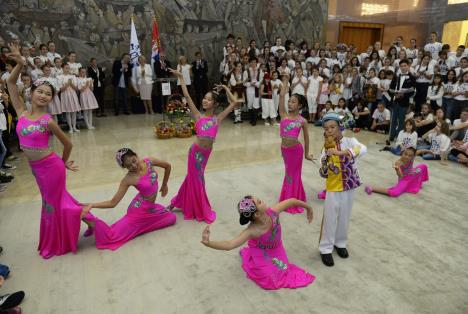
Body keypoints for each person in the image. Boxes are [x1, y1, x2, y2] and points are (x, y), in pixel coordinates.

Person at [6, 43, 93, 259]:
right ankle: (90, 221)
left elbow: (68, 144)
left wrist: (63, 162)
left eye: (48, 94)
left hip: (52, 167)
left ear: (51, 99)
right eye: (40, 92)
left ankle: (60, 239)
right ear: (32, 92)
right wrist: (20, 64)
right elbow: (9, 82)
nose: (44, 96)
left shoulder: (48, 121)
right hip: (36, 169)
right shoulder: (21, 112)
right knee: (56, 202)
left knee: (54, 204)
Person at [168, 69, 240, 223]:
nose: (204, 101)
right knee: (197, 179)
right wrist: (181, 77)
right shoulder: (198, 116)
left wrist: (226, 88)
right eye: (204, 98)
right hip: (194, 153)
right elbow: (186, 95)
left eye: (208, 99)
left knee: (193, 178)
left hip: (206, 155)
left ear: (215, 103)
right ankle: (197, 207)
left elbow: (234, 102)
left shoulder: (218, 118)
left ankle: (177, 201)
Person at [201, 196, 315, 290]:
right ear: (256, 215)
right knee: (270, 279)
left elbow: (292, 201)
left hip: (277, 249)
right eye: (259, 202)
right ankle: (252, 257)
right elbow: (230, 244)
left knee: (284, 269)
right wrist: (209, 243)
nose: (262, 200)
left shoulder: (273, 212)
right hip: (263, 252)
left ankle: (260, 258)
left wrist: (308, 207)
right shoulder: (252, 231)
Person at [82, 148, 176, 250]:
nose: (134, 166)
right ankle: (88, 220)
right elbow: (112, 203)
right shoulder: (128, 179)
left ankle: (143, 226)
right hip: (138, 212)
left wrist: (164, 185)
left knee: (171, 218)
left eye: (133, 161)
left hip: (150, 207)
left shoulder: (149, 161)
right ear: (124, 167)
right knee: (111, 236)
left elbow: (167, 166)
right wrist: (92, 205)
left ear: (136, 155)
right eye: (128, 166)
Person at [318, 112, 366, 267]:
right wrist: (326, 164)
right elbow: (322, 172)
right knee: (330, 217)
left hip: (350, 185)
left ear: (340, 127)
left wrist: (342, 152)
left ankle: (340, 243)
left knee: (345, 215)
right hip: (333, 187)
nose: (329, 130)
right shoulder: (325, 148)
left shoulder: (350, 141)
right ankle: (325, 248)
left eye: (332, 127)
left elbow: (362, 148)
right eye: (326, 128)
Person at [277, 75, 313, 213]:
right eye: (289, 101)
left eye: (293, 102)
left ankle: (293, 200)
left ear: (300, 106)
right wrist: (285, 80)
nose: (289, 103)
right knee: (289, 174)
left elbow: (307, 138)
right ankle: (292, 197)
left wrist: (307, 154)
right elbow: (281, 96)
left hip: (296, 151)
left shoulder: (302, 120)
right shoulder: (283, 115)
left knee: (293, 175)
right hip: (285, 151)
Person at [389, 59, 416, 142]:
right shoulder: (396, 76)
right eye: (401, 66)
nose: (403, 67)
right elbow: (391, 88)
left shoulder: (412, 77)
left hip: (404, 102)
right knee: (393, 120)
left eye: (405, 66)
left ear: (408, 66)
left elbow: (413, 91)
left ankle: (398, 136)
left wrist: (403, 94)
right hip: (395, 101)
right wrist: (395, 94)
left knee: (401, 120)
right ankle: (391, 136)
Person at [58, 63, 81, 133]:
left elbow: (76, 88)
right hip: (65, 95)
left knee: (74, 112)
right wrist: (68, 84)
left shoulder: (73, 76)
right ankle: (70, 127)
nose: (67, 70)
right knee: (68, 112)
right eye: (66, 68)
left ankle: (74, 127)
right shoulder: (59, 77)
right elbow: (61, 89)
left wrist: (71, 84)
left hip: (73, 94)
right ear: (62, 68)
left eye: (68, 68)